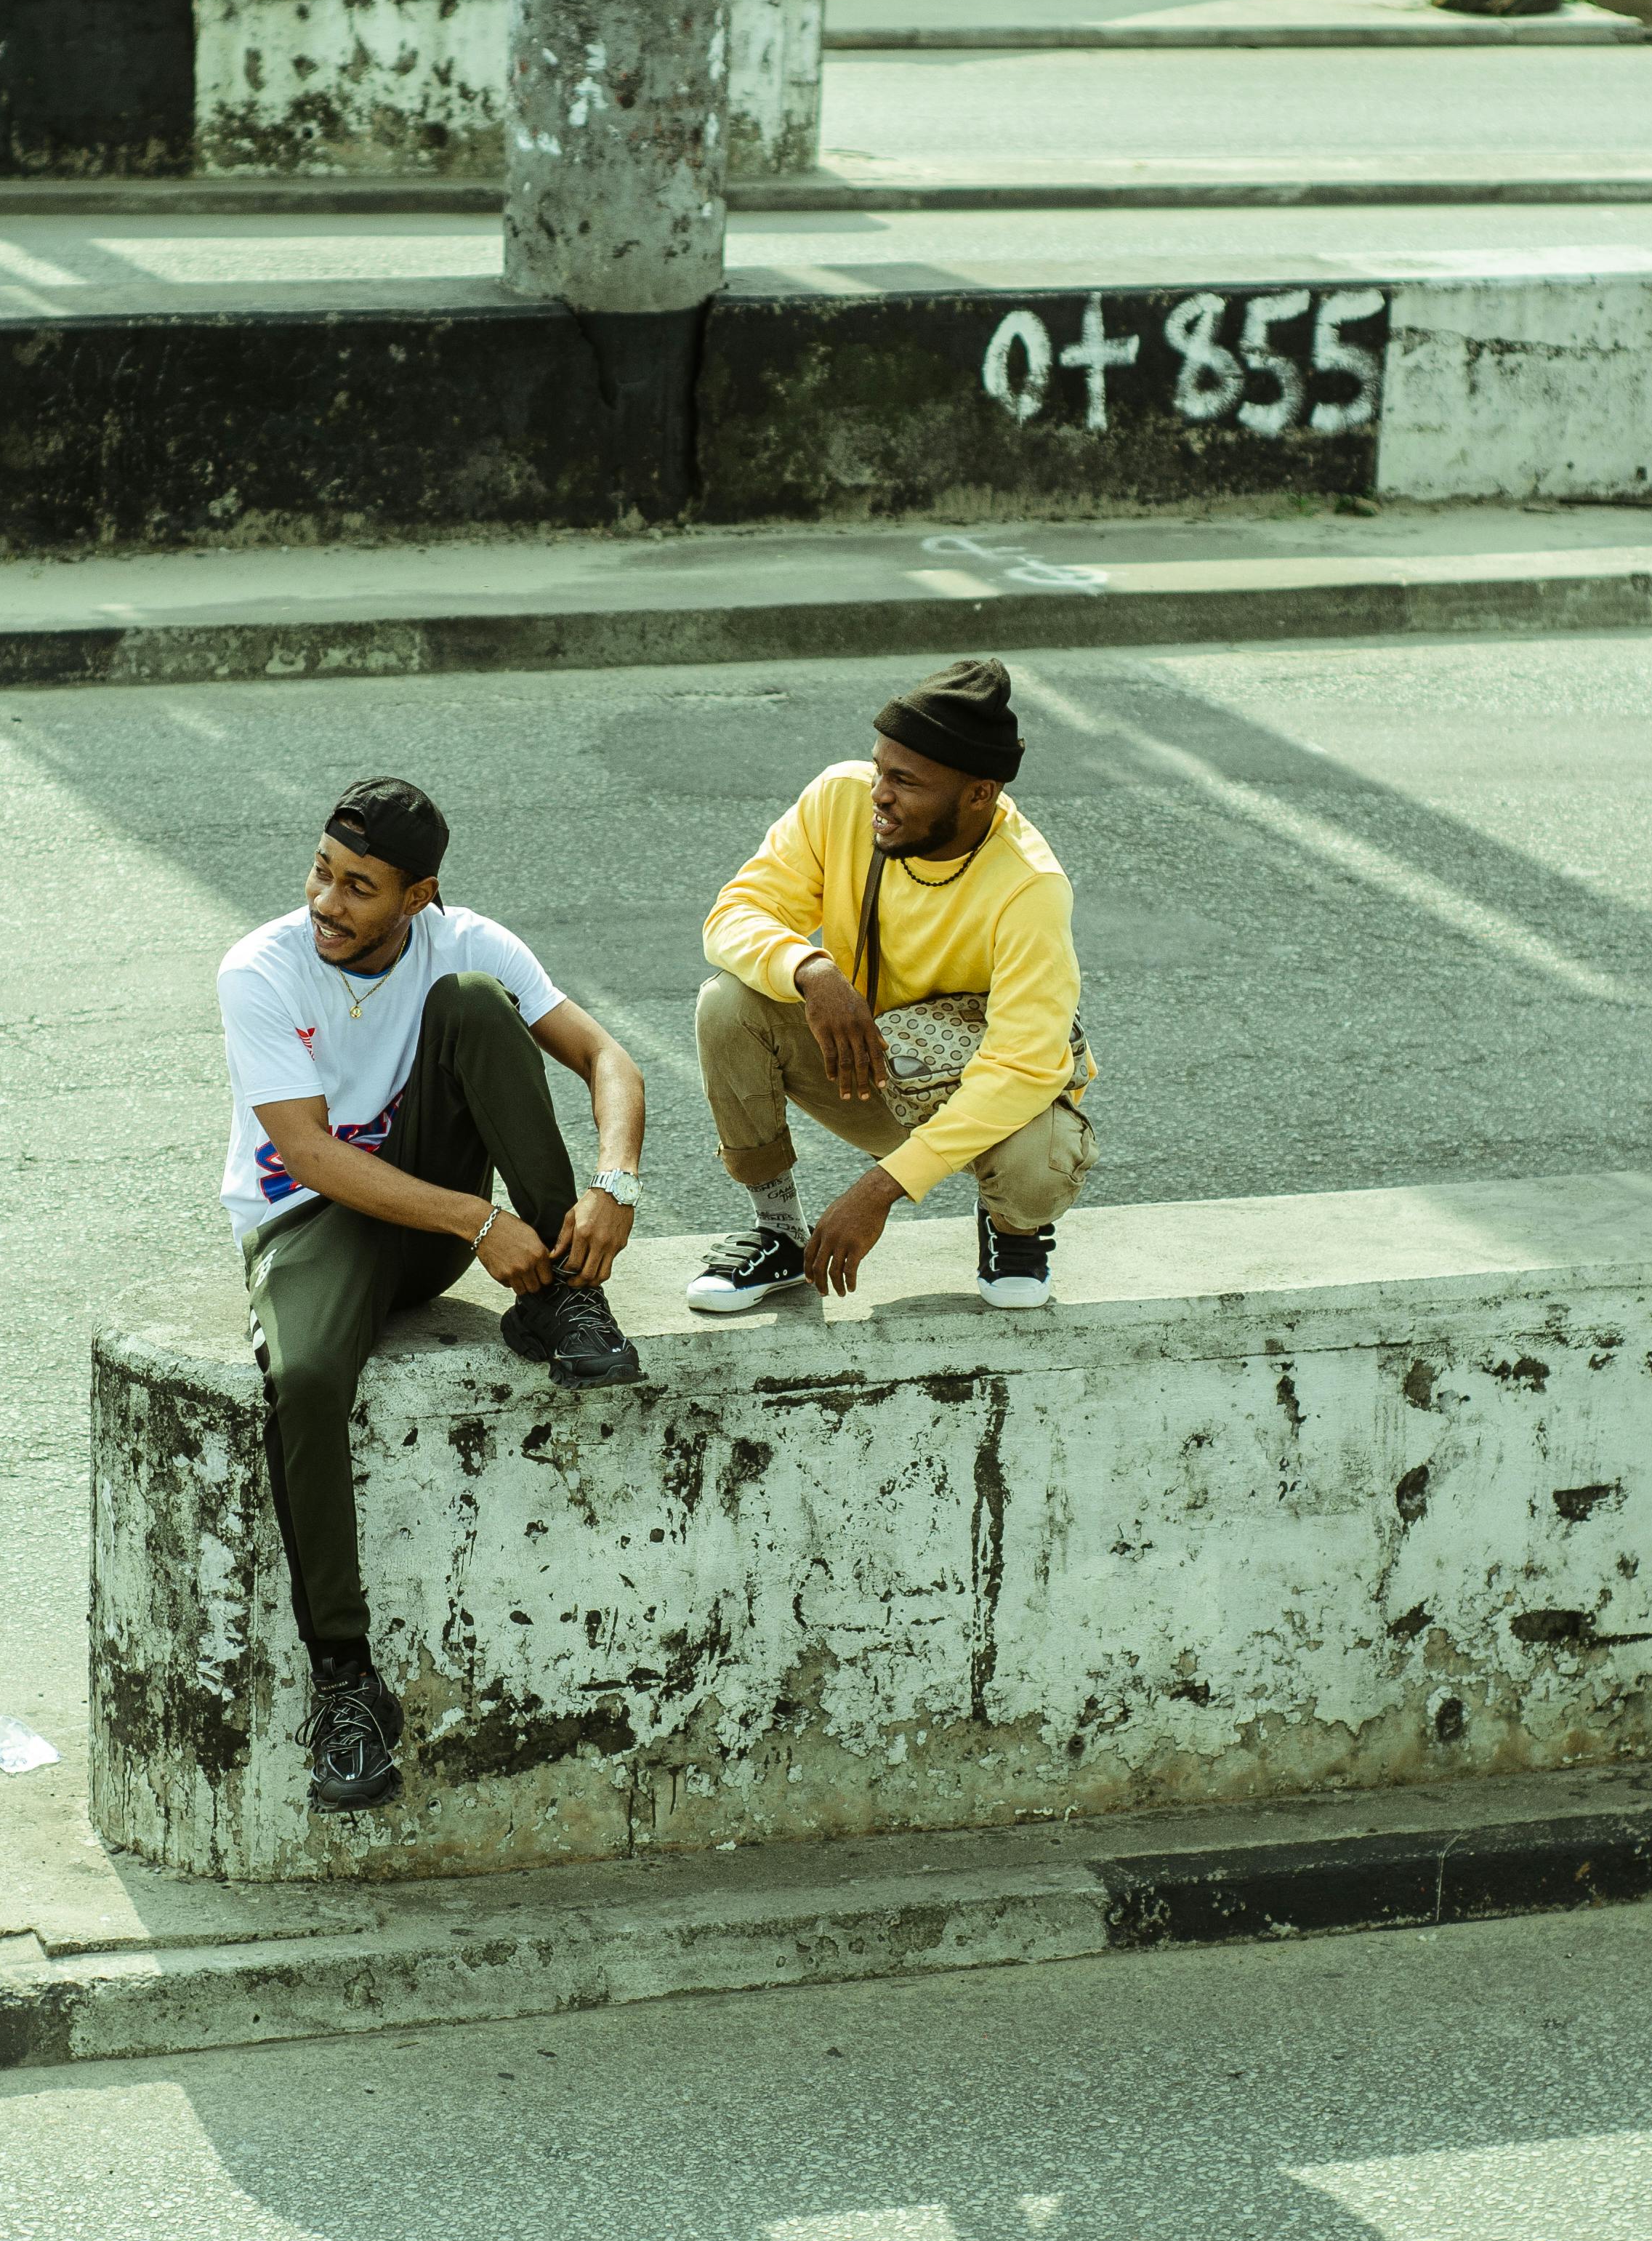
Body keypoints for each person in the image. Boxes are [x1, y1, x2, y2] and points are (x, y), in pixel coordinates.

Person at [218, 778, 648, 1814]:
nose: (328, 900)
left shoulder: (465, 944)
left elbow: (607, 1057)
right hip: (312, 1221)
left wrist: (614, 1183)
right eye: (323, 870)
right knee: (310, 1377)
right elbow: (311, 1154)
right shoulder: (261, 970)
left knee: (475, 1010)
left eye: (360, 887)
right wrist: (474, 1220)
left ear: (419, 896)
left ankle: (563, 1301)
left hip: (435, 1218)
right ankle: (346, 1683)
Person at [688, 658, 1095, 1314]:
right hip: (869, 1067)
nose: (879, 794)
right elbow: (734, 914)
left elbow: (1022, 1065)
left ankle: (1013, 1226)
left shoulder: (1030, 887)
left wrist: (879, 1191)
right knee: (729, 1003)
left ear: (978, 794)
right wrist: (811, 969)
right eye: (880, 769)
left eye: (905, 781)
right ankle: (779, 1232)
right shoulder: (840, 799)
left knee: (1037, 1165)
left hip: (973, 1094)